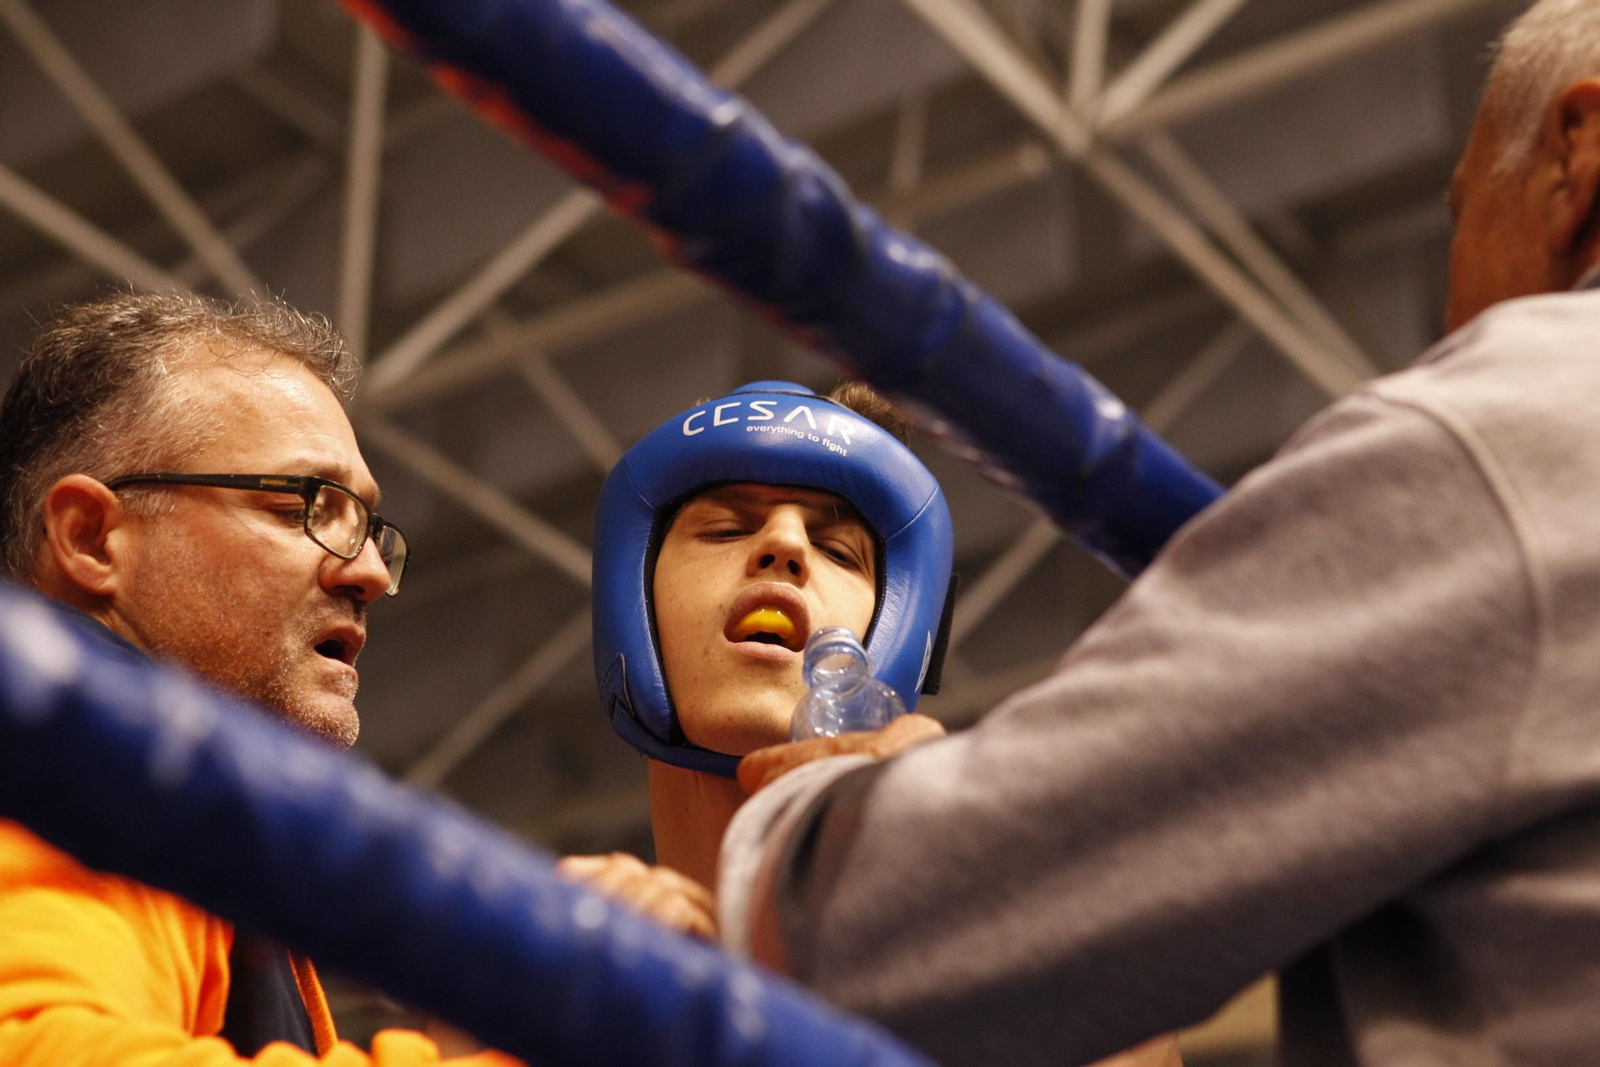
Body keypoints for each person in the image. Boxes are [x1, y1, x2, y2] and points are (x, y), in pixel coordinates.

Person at [715, 0, 1600, 1063]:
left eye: (1465, 213)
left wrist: (823, 805)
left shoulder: (1515, 434)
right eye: (722, 522)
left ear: (1574, 151)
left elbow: (878, 931)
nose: (1452, 315)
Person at [566, 380, 1181, 1067]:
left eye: (837, 549)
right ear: (634, 600)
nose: (784, 546)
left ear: (899, 627)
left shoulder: (1031, 954)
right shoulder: (553, 979)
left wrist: (998, 880)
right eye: (727, 527)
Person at [0, 290, 515, 1066]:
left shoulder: (180, 826)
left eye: (370, 526)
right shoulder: (74, 785)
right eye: (310, 503)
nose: (370, 571)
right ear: (93, 536)